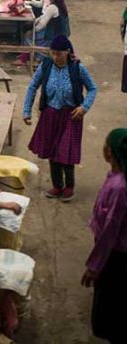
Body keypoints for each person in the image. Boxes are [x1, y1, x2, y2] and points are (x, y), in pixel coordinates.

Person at [24, 35, 97, 202]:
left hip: (71, 115)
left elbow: (93, 88)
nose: (56, 57)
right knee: (51, 150)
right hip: (50, 114)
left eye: (59, 54)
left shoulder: (77, 68)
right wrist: (26, 110)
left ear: (68, 52)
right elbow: (32, 86)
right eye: (53, 53)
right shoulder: (46, 65)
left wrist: (84, 107)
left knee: (66, 151)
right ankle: (57, 185)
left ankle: (69, 186)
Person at [82, 128, 127, 343]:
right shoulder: (116, 177)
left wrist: (94, 267)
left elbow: (110, 232)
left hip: (115, 255)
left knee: (110, 304)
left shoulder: (120, 188)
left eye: (105, 145)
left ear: (110, 152)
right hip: (112, 250)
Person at [16, 0, 70, 67]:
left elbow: (42, 24)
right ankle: (31, 56)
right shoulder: (58, 5)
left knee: (27, 36)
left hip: (53, 35)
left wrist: (33, 29)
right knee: (30, 33)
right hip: (58, 33)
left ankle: (40, 57)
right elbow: (42, 18)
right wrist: (34, 21)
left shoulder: (52, 8)